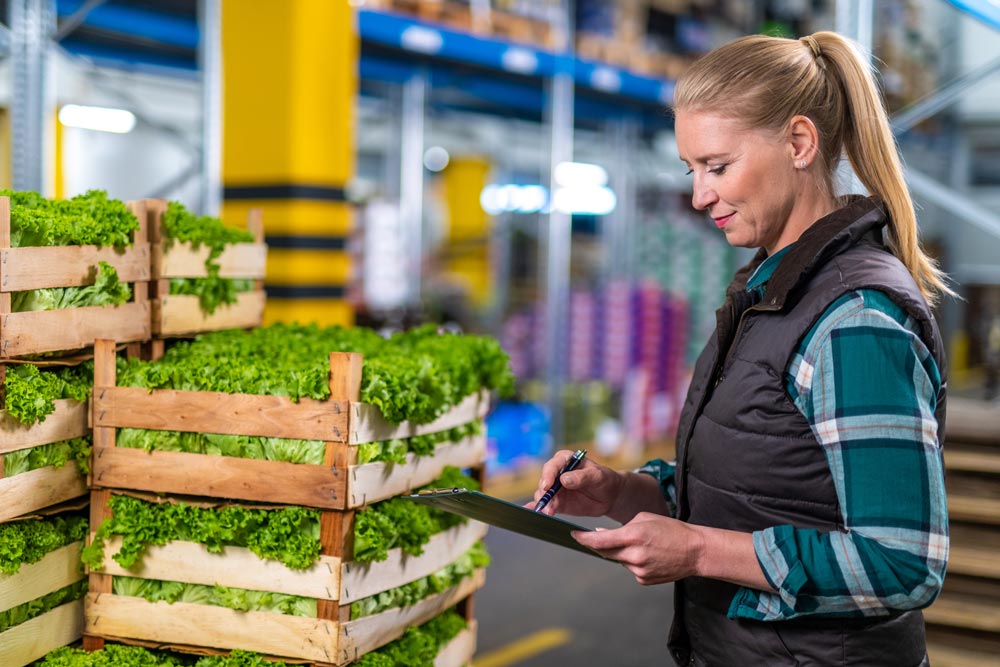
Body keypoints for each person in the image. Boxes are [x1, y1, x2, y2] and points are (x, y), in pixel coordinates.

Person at [533, 31, 951, 667]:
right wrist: (619, 493)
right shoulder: (772, 293)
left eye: (717, 167)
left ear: (800, 143)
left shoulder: (853, 320)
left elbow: (902, 561)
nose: (700, 195)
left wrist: (700, 551)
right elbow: (757, 487)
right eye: (691, 169)